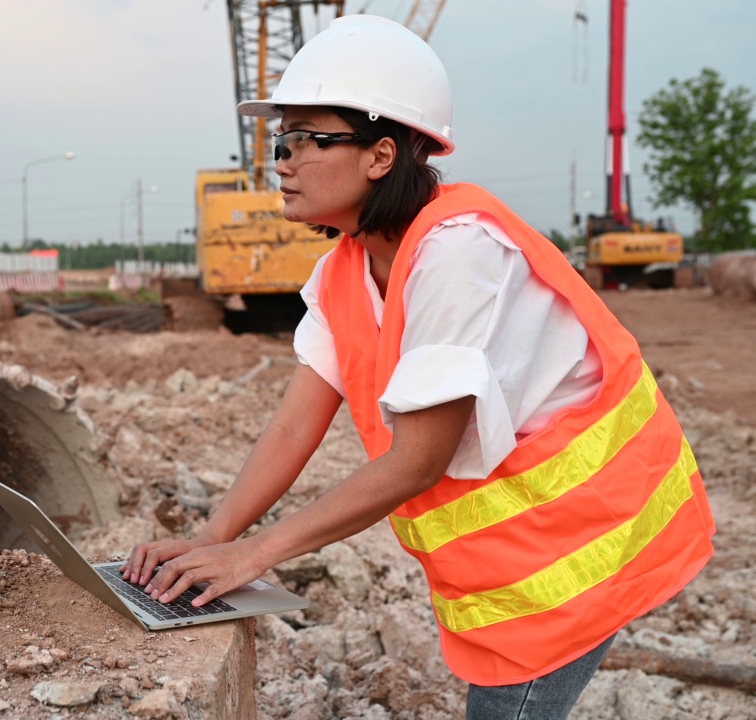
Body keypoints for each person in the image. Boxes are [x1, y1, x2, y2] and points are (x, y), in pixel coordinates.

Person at [121, 14, 714, 720]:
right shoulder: (342, 271)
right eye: (282, 138)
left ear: (380, 155)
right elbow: (292, 427)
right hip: (512, 563)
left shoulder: (457, 251)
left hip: (587, 543)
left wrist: (253, 556)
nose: (281, 158)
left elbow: (419, 460)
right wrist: (210, 541)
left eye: (307, 138)